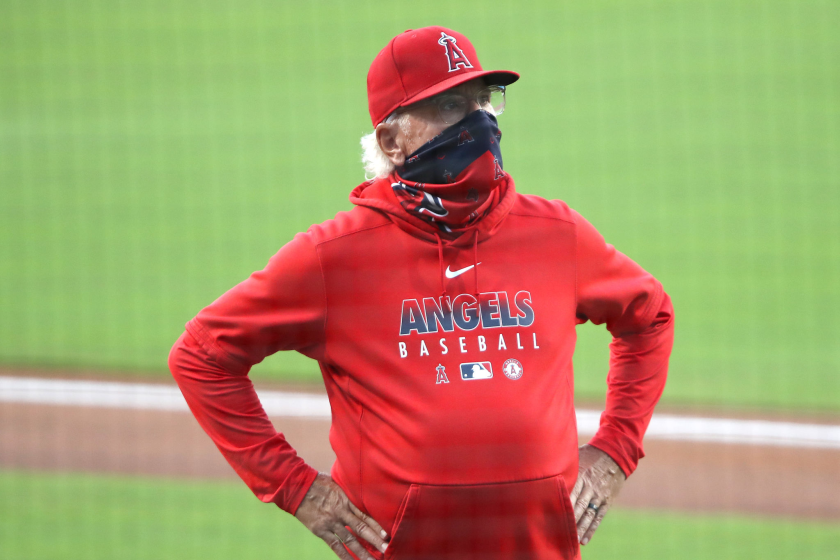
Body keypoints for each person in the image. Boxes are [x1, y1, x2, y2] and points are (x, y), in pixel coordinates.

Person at [168, 26, 674, 560]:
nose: (479, 122)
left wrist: (616, 451)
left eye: (482, 102)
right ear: (392, 140)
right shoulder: (334, 258)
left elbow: (650, 315)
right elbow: (202, 356)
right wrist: (296, 488)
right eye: (452, 107)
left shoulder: (556, 235)